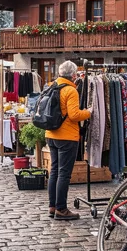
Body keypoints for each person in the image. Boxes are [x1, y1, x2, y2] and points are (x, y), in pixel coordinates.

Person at [45, 60, 92, 220]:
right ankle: (61, 209)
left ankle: (52, 206)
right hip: (67, 137)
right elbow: (74, 115)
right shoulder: (71, 90)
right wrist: (88, 112)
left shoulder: (52, 86)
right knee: (64, 174)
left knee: (54, 171)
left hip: (51, 134)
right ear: (73, 75)